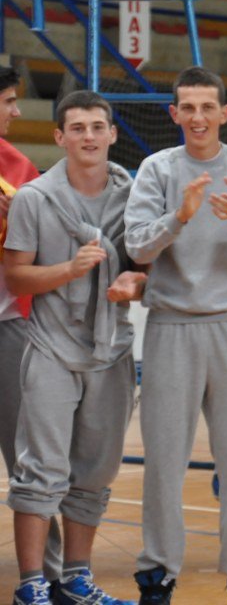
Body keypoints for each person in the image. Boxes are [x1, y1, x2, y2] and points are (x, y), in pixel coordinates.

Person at [124, 66, 227, 604]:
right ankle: (157, 576)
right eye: (187, 108)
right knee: (163, 463)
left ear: (224, 113)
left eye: (206, 107)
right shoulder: (157, 169)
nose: (197, 117)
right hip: (171, 326)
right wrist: (179, 217)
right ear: (174, 113)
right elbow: (138, 247)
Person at [4, 90, 147, 605]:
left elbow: (150, 271)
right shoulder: (33, 199)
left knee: (96, 473)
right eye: (78, 128)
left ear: (112, 134)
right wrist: (69, 269)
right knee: (41, 469)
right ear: (59, 137)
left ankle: (76, 580)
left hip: (111, 350)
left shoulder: (135, 198)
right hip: (50, 348)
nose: (89, 136)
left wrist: (135, 284)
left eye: (97, 127)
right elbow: (16, 276)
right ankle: (31, 585)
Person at [0, 67, 65, 592]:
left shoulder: (18, 167)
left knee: (27, 450)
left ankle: (48, 572)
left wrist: (16, 218)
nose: (16, 111)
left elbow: (46, 243)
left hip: (9, 322)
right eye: (8, 101)